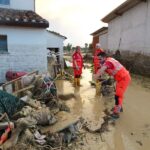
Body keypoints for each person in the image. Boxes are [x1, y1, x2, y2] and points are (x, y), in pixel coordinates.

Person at [94, 52, 131, 119]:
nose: (99, 61)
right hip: (120, 79)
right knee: (118, 95)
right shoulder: (109, 61)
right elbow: (110, 71)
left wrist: (96, 76)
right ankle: (119, 108)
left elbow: (101, 70)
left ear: (104, 57)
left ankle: (116, 114)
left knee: (118, 96)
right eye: (98, 59)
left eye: (100, 59)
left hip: (124, 79)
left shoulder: (108, 62)